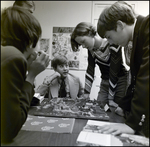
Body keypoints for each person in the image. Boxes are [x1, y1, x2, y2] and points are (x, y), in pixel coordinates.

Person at [97, 1, 149, 137]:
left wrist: (133, 124)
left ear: (119, 25)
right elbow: (136, 80)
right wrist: (124, 105)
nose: (110, 42)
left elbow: (146, 77)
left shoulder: (148, 26)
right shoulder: (138, 36)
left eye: (109, 37)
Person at [1, 6, 50, 143]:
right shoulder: (15, 57)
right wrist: (31, 75)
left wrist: (27, 70)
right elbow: (9, 129)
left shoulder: (7, 53)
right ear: (30, 38)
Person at [70, 22, 129, 113]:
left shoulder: (111, 42)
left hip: (120, 81)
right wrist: (86, 93)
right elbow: (90, 70)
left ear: (90, 33)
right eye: (81, 45)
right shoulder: (91, 50)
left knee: (115, 110)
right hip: (105, 82)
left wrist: (110, 97)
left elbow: (114, 69)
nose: (84, 46)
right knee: (100, 108)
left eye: (83, 42)